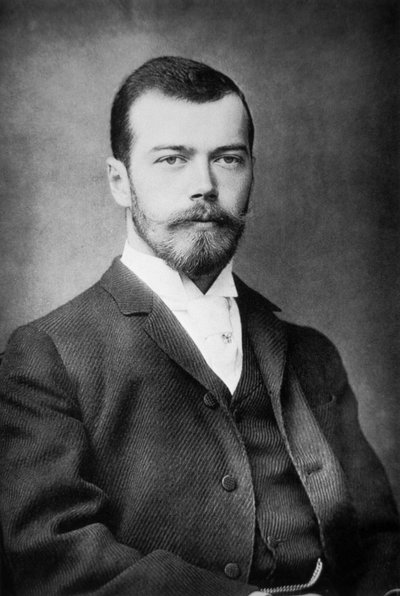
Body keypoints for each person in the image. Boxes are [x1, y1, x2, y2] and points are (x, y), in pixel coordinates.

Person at [0, 56, 399, 596]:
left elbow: (381, 539)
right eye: (172, 159)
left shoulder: (312, 353)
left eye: (228, 159)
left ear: (251, 172)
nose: (205, 186)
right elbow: (53, 558)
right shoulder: (47, 354)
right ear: (120, 181)